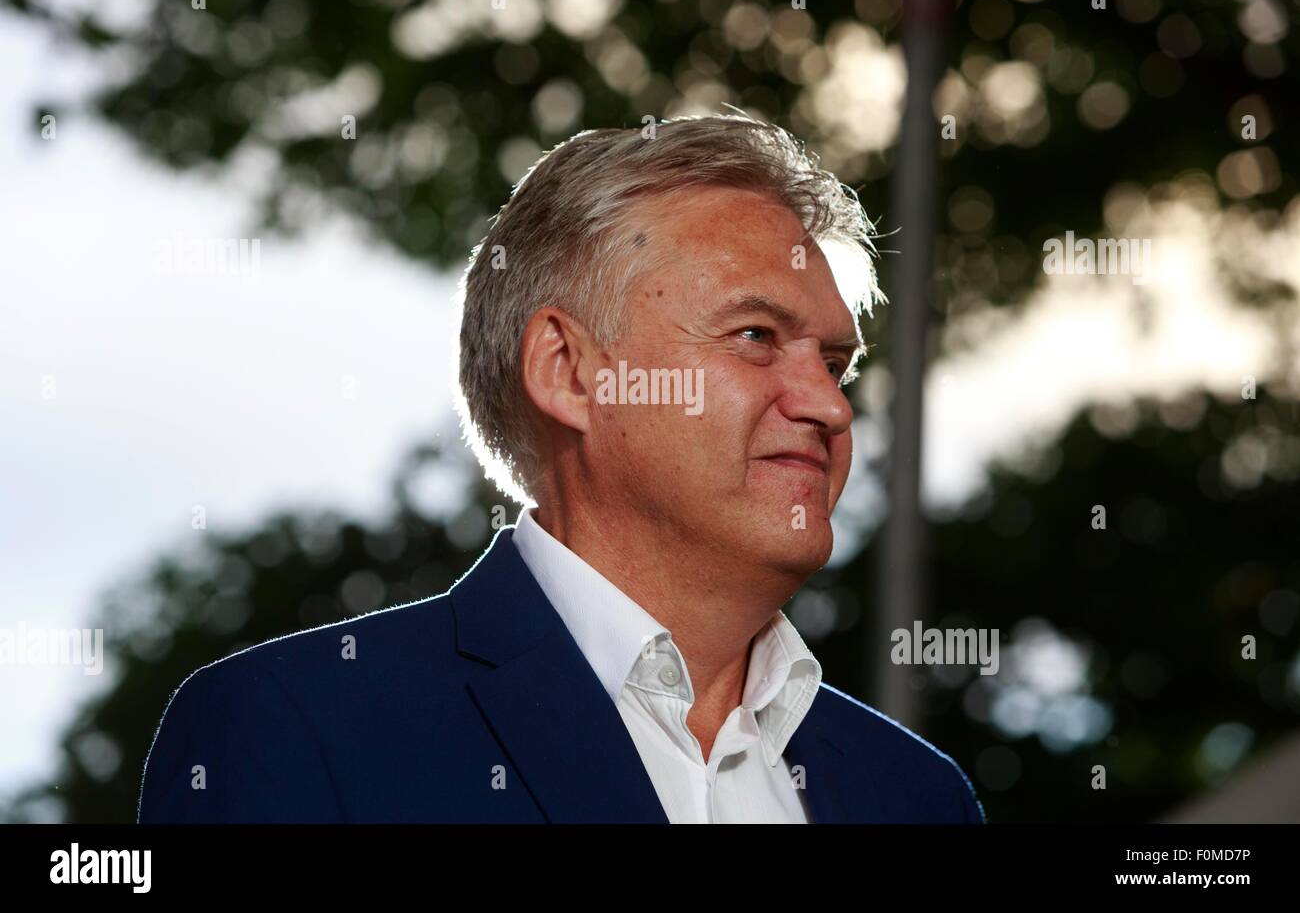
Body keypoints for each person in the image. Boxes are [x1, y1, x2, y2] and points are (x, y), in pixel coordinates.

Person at [138, 114, 984, 823]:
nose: (831, 407)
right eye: (756, 337)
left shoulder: (917, 795)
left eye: (835, 363)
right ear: (570, 372)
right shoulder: (297, 729)